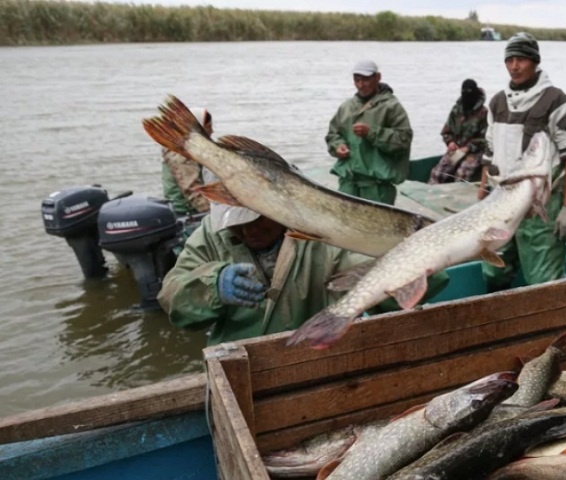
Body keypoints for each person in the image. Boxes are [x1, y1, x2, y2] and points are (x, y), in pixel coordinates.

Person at [158, 204, 448, 346]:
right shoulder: (210, 235)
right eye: (236, 225)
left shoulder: (321, 237)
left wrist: (422, 260)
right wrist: (212, 285)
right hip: (236, 361)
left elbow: (372, 274)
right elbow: (170, 296)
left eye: (256, 218)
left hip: (308, 357)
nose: (249, 231)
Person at [478, 32, 566, 291]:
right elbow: (489, 152)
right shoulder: (498, 102)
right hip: (499, 201)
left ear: (535, 62)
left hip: (540, 206)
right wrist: (482, 191)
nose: (514, 66)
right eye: (509, 60)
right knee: (494, 270)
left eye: (521, 59)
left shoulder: (556, 101)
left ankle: (554, 328)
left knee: (543, 280)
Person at [325, 60, 413, 205]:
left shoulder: (392, 107)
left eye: (365, 79)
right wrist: (338, 146)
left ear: (377, 77)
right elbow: (333, 134)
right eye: (357, 80)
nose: (361, 85)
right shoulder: (346, 107)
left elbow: (403, 140)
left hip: (377, 187)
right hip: (348, 183)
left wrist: (371, 133)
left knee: (379, 226)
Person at [428, 79, 488, 185]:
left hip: (475, 152)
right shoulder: (456, 110)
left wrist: (469, 147)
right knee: (437, 173)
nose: (467, 98)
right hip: (456, 149)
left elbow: (486, 139)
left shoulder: (484, 113)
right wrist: (450, 142)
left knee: (461, 175)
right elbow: (446, 131)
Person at [161, 107, 213, 216]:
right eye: (209, 127)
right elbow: (192, 189)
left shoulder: (189, 146)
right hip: (186, 214)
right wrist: (213, 214)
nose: (212, 131)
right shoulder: (181, 153)